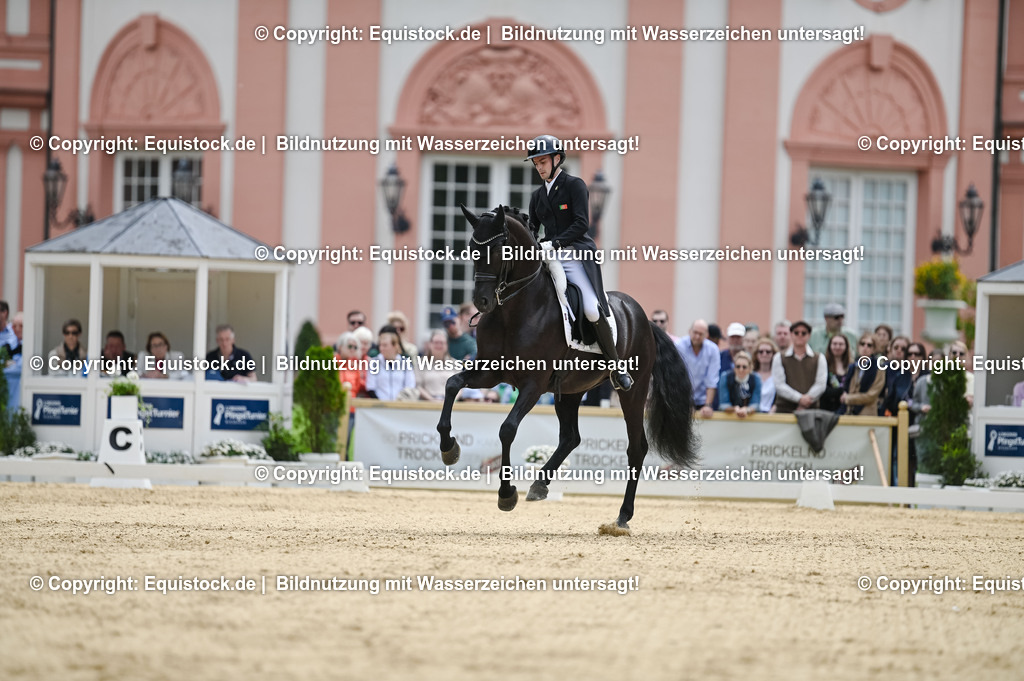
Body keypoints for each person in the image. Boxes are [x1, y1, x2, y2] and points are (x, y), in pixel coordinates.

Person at [526, 133, 632, 391]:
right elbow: (532, 229)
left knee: (592, 308)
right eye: (536, 163)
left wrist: (556, 243)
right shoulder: (537, 196)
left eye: (542, 161)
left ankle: (616, 366)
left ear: (556, 158)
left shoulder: (575, 185)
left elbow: (581, 224)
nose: (539, 167)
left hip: (574, 255)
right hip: (549, 257)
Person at [772, 320, 826, 413]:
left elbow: (820, 384)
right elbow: (779, 385)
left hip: (810, 411)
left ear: (809, 335)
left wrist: (806, 401)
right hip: (784, 410)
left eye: (803, 333)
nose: (800, 335)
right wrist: (800, 399)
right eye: (796, 332)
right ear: (791, 335)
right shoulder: (779, 357)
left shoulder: (819, 358)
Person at [676, 319, 720, 418]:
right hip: (682, 399)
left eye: (701, 334)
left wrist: (708, 405)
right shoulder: (678, 346)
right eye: (695, 332)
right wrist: (685, 403)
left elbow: (712, 380)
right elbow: (677, 378)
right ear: (689, 331)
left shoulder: (713, 350)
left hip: (703, 400)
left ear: (706, 335)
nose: (697, 336)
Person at [840, 333, 886, 415]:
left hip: (867, 413)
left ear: (874, 349)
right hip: (849, 412)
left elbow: (871, 396)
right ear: (858, 346)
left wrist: (849, 398)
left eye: (869, 345)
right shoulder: (852, 366)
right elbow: (847, 389)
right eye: (862, 344)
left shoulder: (879, 368)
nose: (865, 347)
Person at [365, 328, 415, 400]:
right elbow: (370, 387)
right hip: (379, 407)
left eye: (385, 345)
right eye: (380, 345)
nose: (381, 348)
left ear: (395, 346)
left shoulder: (405, 363)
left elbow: (410, 386)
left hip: (401, 406)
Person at [718, 351, 761, 418]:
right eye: (738, 366)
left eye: (744, 367)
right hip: (729, 417)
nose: (741, 370)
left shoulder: (756, 378)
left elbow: (756, 404)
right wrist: (735, 409)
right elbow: (723, 404)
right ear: (734, 367)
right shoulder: (725, 377)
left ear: (749, 368)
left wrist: (746, 410)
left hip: (750, 417)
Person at [415, 329, 454, 401]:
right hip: (428, 404)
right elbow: (417, 386)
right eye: (436, 342)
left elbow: (461, 388)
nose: (439, 345)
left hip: (451, 404)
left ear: (447, 345)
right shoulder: (420, 363)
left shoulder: (455, 363)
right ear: (430, 344)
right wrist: (432, 399)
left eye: (442, 343)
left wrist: (450, 400)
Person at [879, 335, 913, 416]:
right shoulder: (883, 368)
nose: (899, 350)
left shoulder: (911, 370)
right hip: (884, 413)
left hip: (905, 413)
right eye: (896, 347)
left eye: (903, 349)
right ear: (890, 349)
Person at [819, 334, 852, 413]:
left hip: (846, 409)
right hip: (827, 409)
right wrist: (841, 392)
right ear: (830, 346)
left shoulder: (851, 366)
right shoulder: (823, 364)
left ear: (846, 346)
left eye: (841, 344)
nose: (837, 347)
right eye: (834, 344)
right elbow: (822, 388)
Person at [335, 331, 366, 398]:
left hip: (351, 405)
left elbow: (357, 388)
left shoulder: (354, 366)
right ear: (340, 347)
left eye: (355, 347)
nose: (352, 349)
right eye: (349, 346)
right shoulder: (331, 363)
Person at [753, 337, 778, 413]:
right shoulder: (751, 375)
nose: (764, 354)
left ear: (773, 354)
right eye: (761, 352)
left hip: (771, 416)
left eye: (768, 352)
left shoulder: (778, 376)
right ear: (756, 354)